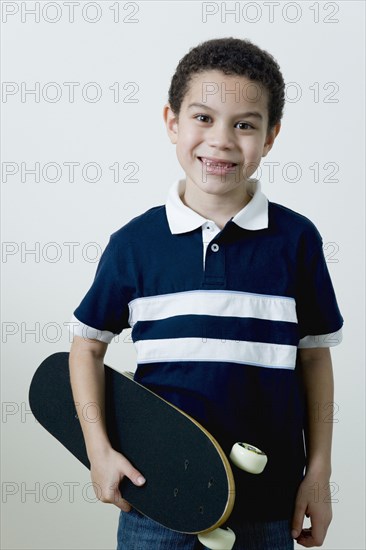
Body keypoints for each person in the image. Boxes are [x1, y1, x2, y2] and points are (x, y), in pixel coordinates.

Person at [68, 37, 343, 550]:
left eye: (244, 124)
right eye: (202, 118)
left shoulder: (297, 241)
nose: (220, 140)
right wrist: (98, 451)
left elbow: (314, 361)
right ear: (172, 122)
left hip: (269, 505)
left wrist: (319, 474)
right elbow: (86, 345)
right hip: (155, 503)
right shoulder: (134, 244)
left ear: (271, 135)